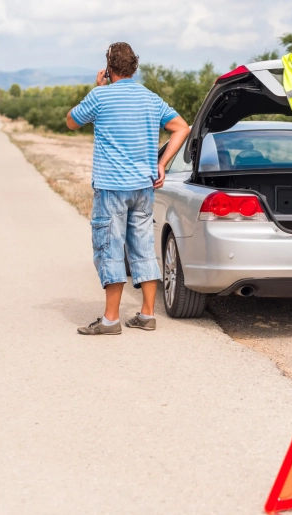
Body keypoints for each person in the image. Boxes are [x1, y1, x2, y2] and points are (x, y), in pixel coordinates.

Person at [66, 42, 190, 335]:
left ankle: (110, 320)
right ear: (134, 67)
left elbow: (71, 122)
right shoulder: (150, 98)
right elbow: (181, 127)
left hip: (111, 188)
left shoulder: (100, 96)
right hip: (143, 188)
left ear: (109, 69)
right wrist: (162, 164)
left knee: (109, 248)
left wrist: (96, 88)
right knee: (143, 247)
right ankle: (147, 315)